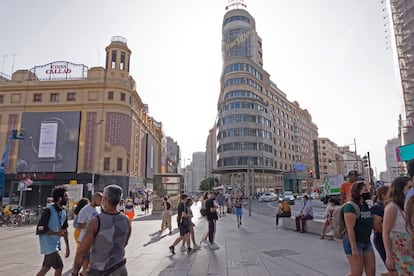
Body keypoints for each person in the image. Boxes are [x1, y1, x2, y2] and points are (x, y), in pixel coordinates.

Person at [72, 184, 131, 276]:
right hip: (120, 269)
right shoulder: (126, 220)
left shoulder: (95, 222)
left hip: (100, 270)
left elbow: (82, 251)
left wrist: (75, 272)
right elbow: (125, 243)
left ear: (105, 199)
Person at [343, 181, 375, 276]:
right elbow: (350, 229)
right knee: (356, 273)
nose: (367, 192)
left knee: (371, 271)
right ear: (358, 192)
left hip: (366, 241)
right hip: (354, 242)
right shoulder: (350, 207)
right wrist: (354, 248)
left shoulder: (367, 205)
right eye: (365, 190)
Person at [383, 176, 414, 275]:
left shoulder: (409, 205)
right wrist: (389, 256)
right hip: (400, 248)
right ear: (400, 189)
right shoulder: (392, 207)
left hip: (410, 246)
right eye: (409, 187)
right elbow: (386, 232)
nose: (411, 190)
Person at [35, 186, 70, 276]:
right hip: (48, 245)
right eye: (66, 196)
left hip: (55, 244)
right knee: (59, 266)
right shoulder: (48, 211)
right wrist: (56, 233)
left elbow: (65, 230)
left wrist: (67, 247)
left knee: (46, 267)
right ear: (59, 198)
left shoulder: (64, 211)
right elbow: (41, 229)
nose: (68, 198)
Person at [76, 192, 102, 275]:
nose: (101, 202)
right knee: (85, 261)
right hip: (85, 239)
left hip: (94, 240)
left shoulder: (98, 209)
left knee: (90, 262)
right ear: (94, 199)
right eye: (100, 200)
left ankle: (83, 273)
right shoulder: (85, 210)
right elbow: (79, 226)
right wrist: (91, 225)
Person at [370, 185, 388, 265]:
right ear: (383, 195)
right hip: (381, 238)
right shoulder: (377, 207)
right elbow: (376, 226)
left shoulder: (385, 206)